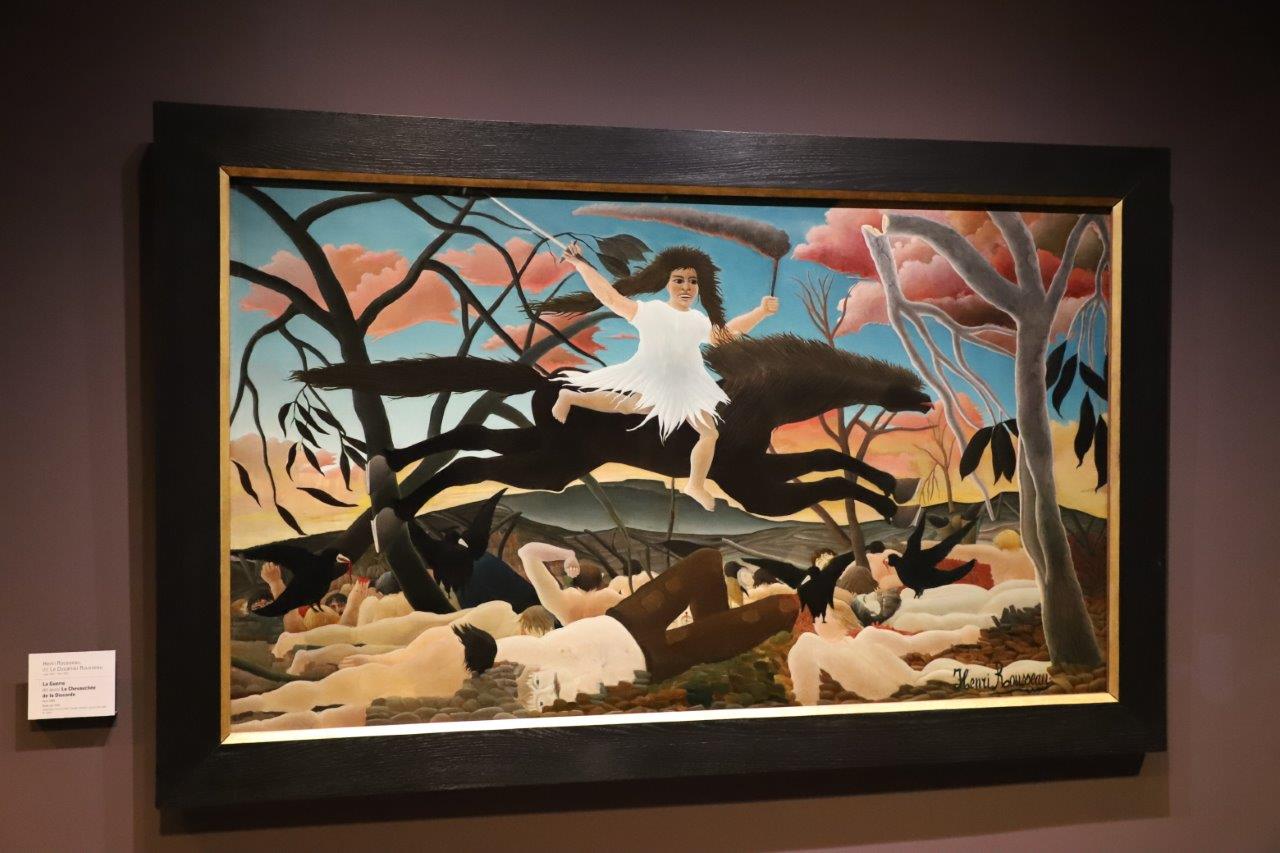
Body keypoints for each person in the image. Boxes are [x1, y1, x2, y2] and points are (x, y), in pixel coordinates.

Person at [232, 548, 798, 726]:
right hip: (642, 651)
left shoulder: (504, 652)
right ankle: (720, 643)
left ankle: (718, 644)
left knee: (708, 562)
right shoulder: (517, 682)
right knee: (777, 606)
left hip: (622, 626)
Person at [550, 243, 779, 510]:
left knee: (709, 433)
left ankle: (695, 484)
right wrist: (580, 264)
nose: (686, 287)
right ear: (666, 283)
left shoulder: (698, 319)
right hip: (656, 374)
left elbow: (725, 334)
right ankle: (570, 396)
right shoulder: (651, 311)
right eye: (678, 280)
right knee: (629, 406)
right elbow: (610, 298)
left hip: (687, 382)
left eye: (693, 281)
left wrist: (761, 312)